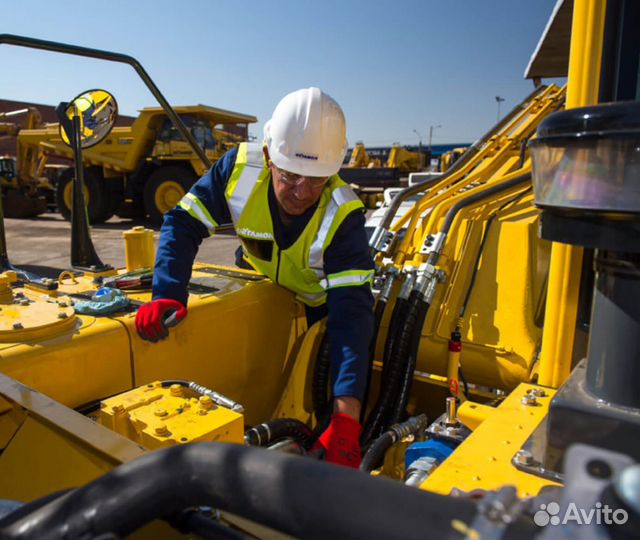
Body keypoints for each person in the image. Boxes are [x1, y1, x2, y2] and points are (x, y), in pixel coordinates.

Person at [135, 87, 374, 468]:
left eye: (316, 179)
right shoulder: (239, 170)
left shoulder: (343, 216)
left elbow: (352, 315)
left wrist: (346, 416)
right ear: (268, 156)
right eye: (291, 175)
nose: (302, 192)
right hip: (257, 281)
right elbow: (182, 222)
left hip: (315, 313)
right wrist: (167, 292)